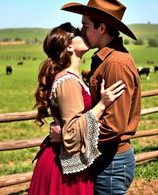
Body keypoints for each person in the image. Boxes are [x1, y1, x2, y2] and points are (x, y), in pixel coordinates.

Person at [54, 0, 141, 195]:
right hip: (106, 158)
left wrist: (72, 137)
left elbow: (114, 126)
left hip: (111, 161)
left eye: (85, 26)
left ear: (101, 28)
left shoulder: (115, 63)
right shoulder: (105, 59)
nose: (81, 31)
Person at [28, 22, 125, 195]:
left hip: (64, 162)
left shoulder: (71, 77)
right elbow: (72, 132)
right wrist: (102, 105)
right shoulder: (68, 81)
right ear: (69, 46)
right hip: (62, 169)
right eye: (79, 32)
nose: (85, 33)